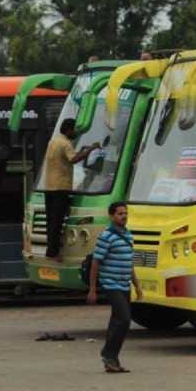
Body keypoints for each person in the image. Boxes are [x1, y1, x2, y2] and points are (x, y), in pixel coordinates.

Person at [87, 201, 142, 373]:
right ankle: (108, 353)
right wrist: (92, 289)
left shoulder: (128, 235)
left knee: (116, 321)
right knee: (124, 319)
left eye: (125, 213)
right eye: (120, 213)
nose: (124, 216)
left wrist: (137, 285)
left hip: (124, 284)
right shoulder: (106, 236)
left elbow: (128, 262)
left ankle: (112, 360)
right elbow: (95, 262)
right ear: (111, 216)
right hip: (111, 284)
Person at [43, 118, 98, 260]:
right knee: (57, 221)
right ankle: (54, 252)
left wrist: (82, 151)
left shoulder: (53, 141)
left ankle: (50, 250)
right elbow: (73, 159)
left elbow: (66, 157)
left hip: (49, 186)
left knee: (51, 221)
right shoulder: (66, 143)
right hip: (61, 187)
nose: (76, 133)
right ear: (68, 130)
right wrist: (91, 149)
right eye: (75, 130)